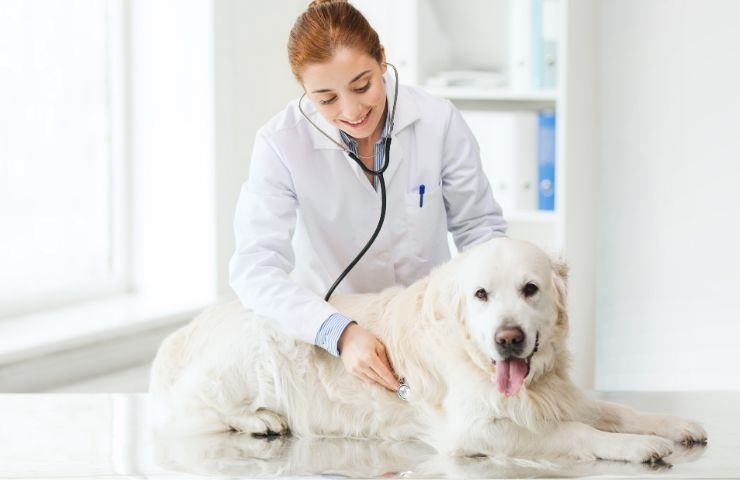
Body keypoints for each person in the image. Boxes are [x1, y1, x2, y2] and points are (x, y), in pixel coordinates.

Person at [229, 0, 507, 393]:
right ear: (304, 91)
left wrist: (498, 313)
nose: (352, 109)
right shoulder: (279, 144)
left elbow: (480, 231)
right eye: (326, 99)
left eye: (363, 86)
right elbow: (255, 269)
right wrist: (336, 331)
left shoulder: (437, 120)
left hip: (428, 331)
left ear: (382, 59)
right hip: (331, 342)